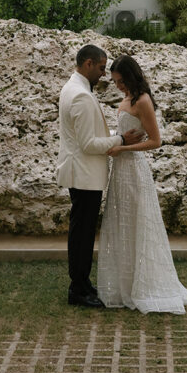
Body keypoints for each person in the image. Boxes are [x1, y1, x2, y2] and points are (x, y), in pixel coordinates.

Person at [97, 54, 187, 314]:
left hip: (134, 169)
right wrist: (118, 142)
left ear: (131, 76)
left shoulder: (143, 101)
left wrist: (124, 149)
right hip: (120, 169)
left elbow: (155, 141)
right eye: (115, 82)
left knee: (137, 224)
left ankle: (144, 286)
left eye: (121, 81)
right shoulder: (126, 99)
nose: (119, 86)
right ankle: (123, 284)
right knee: (122, 225)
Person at [57, 44, 143, 308]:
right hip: (84, 174)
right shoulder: (80, 95)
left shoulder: (75, 88)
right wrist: (120, 139)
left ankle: (81, 283)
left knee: (82, 232)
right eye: (102, 68)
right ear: (88, 64)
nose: (104, 74)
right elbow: (87, 144)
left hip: (83, 173)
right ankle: (78, 289)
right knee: (82, 234)